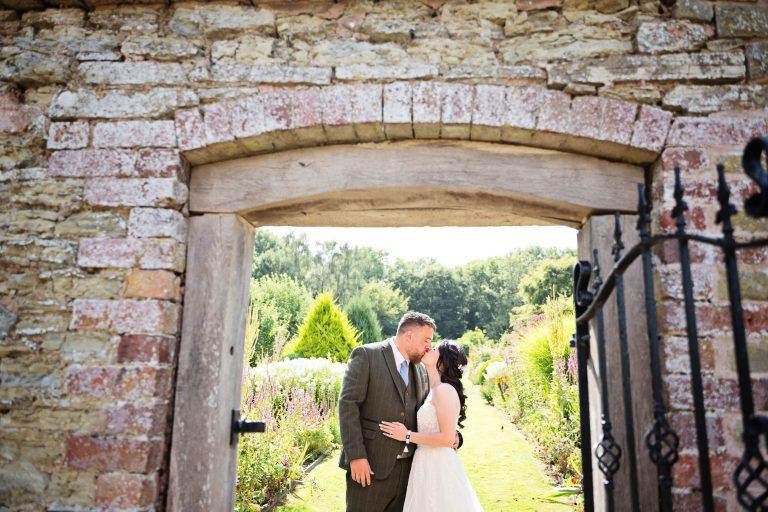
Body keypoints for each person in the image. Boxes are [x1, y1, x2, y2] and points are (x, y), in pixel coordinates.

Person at [338, 311, 436, 512]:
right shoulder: (367, 355)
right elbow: (348, 405)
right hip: (370, 467)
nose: (429, 346)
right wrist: (356, 456)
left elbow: (429, 410)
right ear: (409, 335)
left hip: (409, 471)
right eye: (426, 340)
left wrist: (453, 436)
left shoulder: (420, 368)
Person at [380, 341, 483, 512]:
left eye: (435, 349)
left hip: (438, 466)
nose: (429, 347)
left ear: (443, 362)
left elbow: (446, 438)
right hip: (425, 463)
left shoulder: (444, 390)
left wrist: (406, 435)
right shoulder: (433, 389)